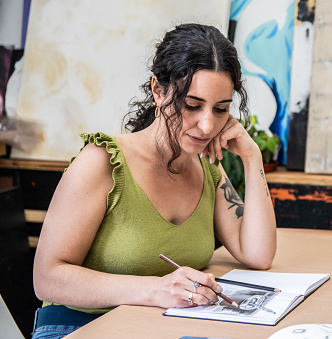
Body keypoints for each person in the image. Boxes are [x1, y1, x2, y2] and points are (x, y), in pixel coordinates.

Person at [31, 23, 277, 338]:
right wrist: (155, 290)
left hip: (155, 327)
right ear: (158, 91)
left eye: (220, 110)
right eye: (192, 105)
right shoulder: (102, 161)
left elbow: (258, 254)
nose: (206, 126)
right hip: (76, 327)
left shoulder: (207, 168)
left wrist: (251, 156)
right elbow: (47, 278)